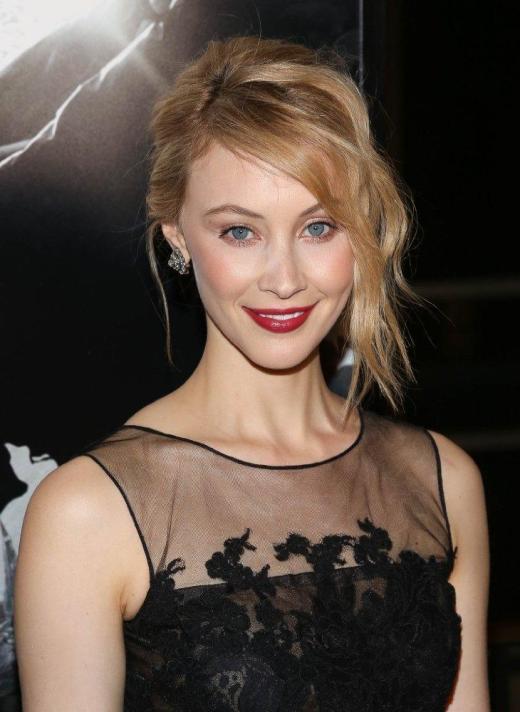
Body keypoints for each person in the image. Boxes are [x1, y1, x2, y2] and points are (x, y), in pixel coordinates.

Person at [13, 35, 490, 711]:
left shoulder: (439, 481)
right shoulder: (91, 512)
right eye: (240, 231)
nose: (284, 278)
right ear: (179, 238)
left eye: (319, 227)